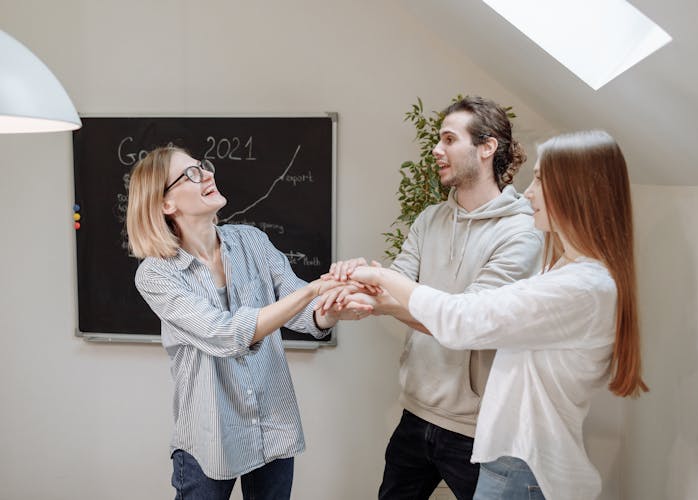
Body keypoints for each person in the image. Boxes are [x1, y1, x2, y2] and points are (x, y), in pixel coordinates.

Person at [339, 130, 649, 500]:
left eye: (539, 179)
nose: (529, 191)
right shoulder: (567, 273)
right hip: (513, 460)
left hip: (527, 468)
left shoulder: (579, 288)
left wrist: (381, 278)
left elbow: (464, 320)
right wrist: (382, 292)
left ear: (576, 191)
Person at [323, 96, 543, 500]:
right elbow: (394, 284)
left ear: (486, 147)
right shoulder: (430, 220)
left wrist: (387, 299)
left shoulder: (521, 233)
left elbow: (469, 324)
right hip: (416, 414)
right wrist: (351, 286)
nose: (436, 150)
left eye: (448, 139)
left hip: (479, 430)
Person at [126, 146, 351, 500]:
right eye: (192, 174)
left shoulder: (252, 241)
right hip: (209, 439)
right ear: (166, 204)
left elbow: (307, 315)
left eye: (204, 167)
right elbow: (226, 333)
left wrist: (335, 304)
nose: (208, 174)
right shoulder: (156, 274)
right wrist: (313, 292)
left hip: (273, 428)